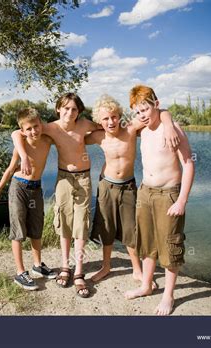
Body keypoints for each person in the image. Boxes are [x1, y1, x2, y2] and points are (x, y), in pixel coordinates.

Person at [12, 93, 100, 298]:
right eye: (66, 108)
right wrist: (24, 156)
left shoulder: (85, 124)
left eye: (74, 109)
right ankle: (64, 267)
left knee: (81, 224)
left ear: (79, 112)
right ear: (58, 109)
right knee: (64, 222)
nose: (70, 112)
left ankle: (78, 271)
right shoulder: (51, 127)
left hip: (83, 179)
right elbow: (17, 133)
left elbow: (107, 126)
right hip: (63, 179)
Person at [86, 94, 179, 288]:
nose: (111, 121)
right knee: (107, 227)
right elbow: (73, 134)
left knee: (131, 229)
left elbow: (160, 112)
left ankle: (137, 269)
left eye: (114, 116)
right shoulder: (97, 136)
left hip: (128, 186)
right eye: (105, 118)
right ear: (98, 121)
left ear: (119, 116)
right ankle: (106, 266)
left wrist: (169, 124)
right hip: (106, 186)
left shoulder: (131, 129)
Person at [124, 85, 195, 315]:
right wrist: (162, 117)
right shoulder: (141, 129)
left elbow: (188, 164)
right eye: (137, 111)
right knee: (147, 243)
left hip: (168, 194)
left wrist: (182, 200)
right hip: (145, 192)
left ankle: (168, 296)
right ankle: (146, 285)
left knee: (170, 246)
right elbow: (113, 126)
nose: (142, 114)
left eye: (145, 108)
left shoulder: (173, 129)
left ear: (156, 104)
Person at [0, 108, 57, 290]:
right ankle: (20, 273)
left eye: (36, 126)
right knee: (18, 229)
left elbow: (60, 132)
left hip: (36, 188)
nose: (33, 131)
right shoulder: (21, 144)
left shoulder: (47, 140)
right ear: (23, 131)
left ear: (40, 123)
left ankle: (37, 265)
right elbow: (10, 169)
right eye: (28, 129)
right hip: (18, 187)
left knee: (36, 227)